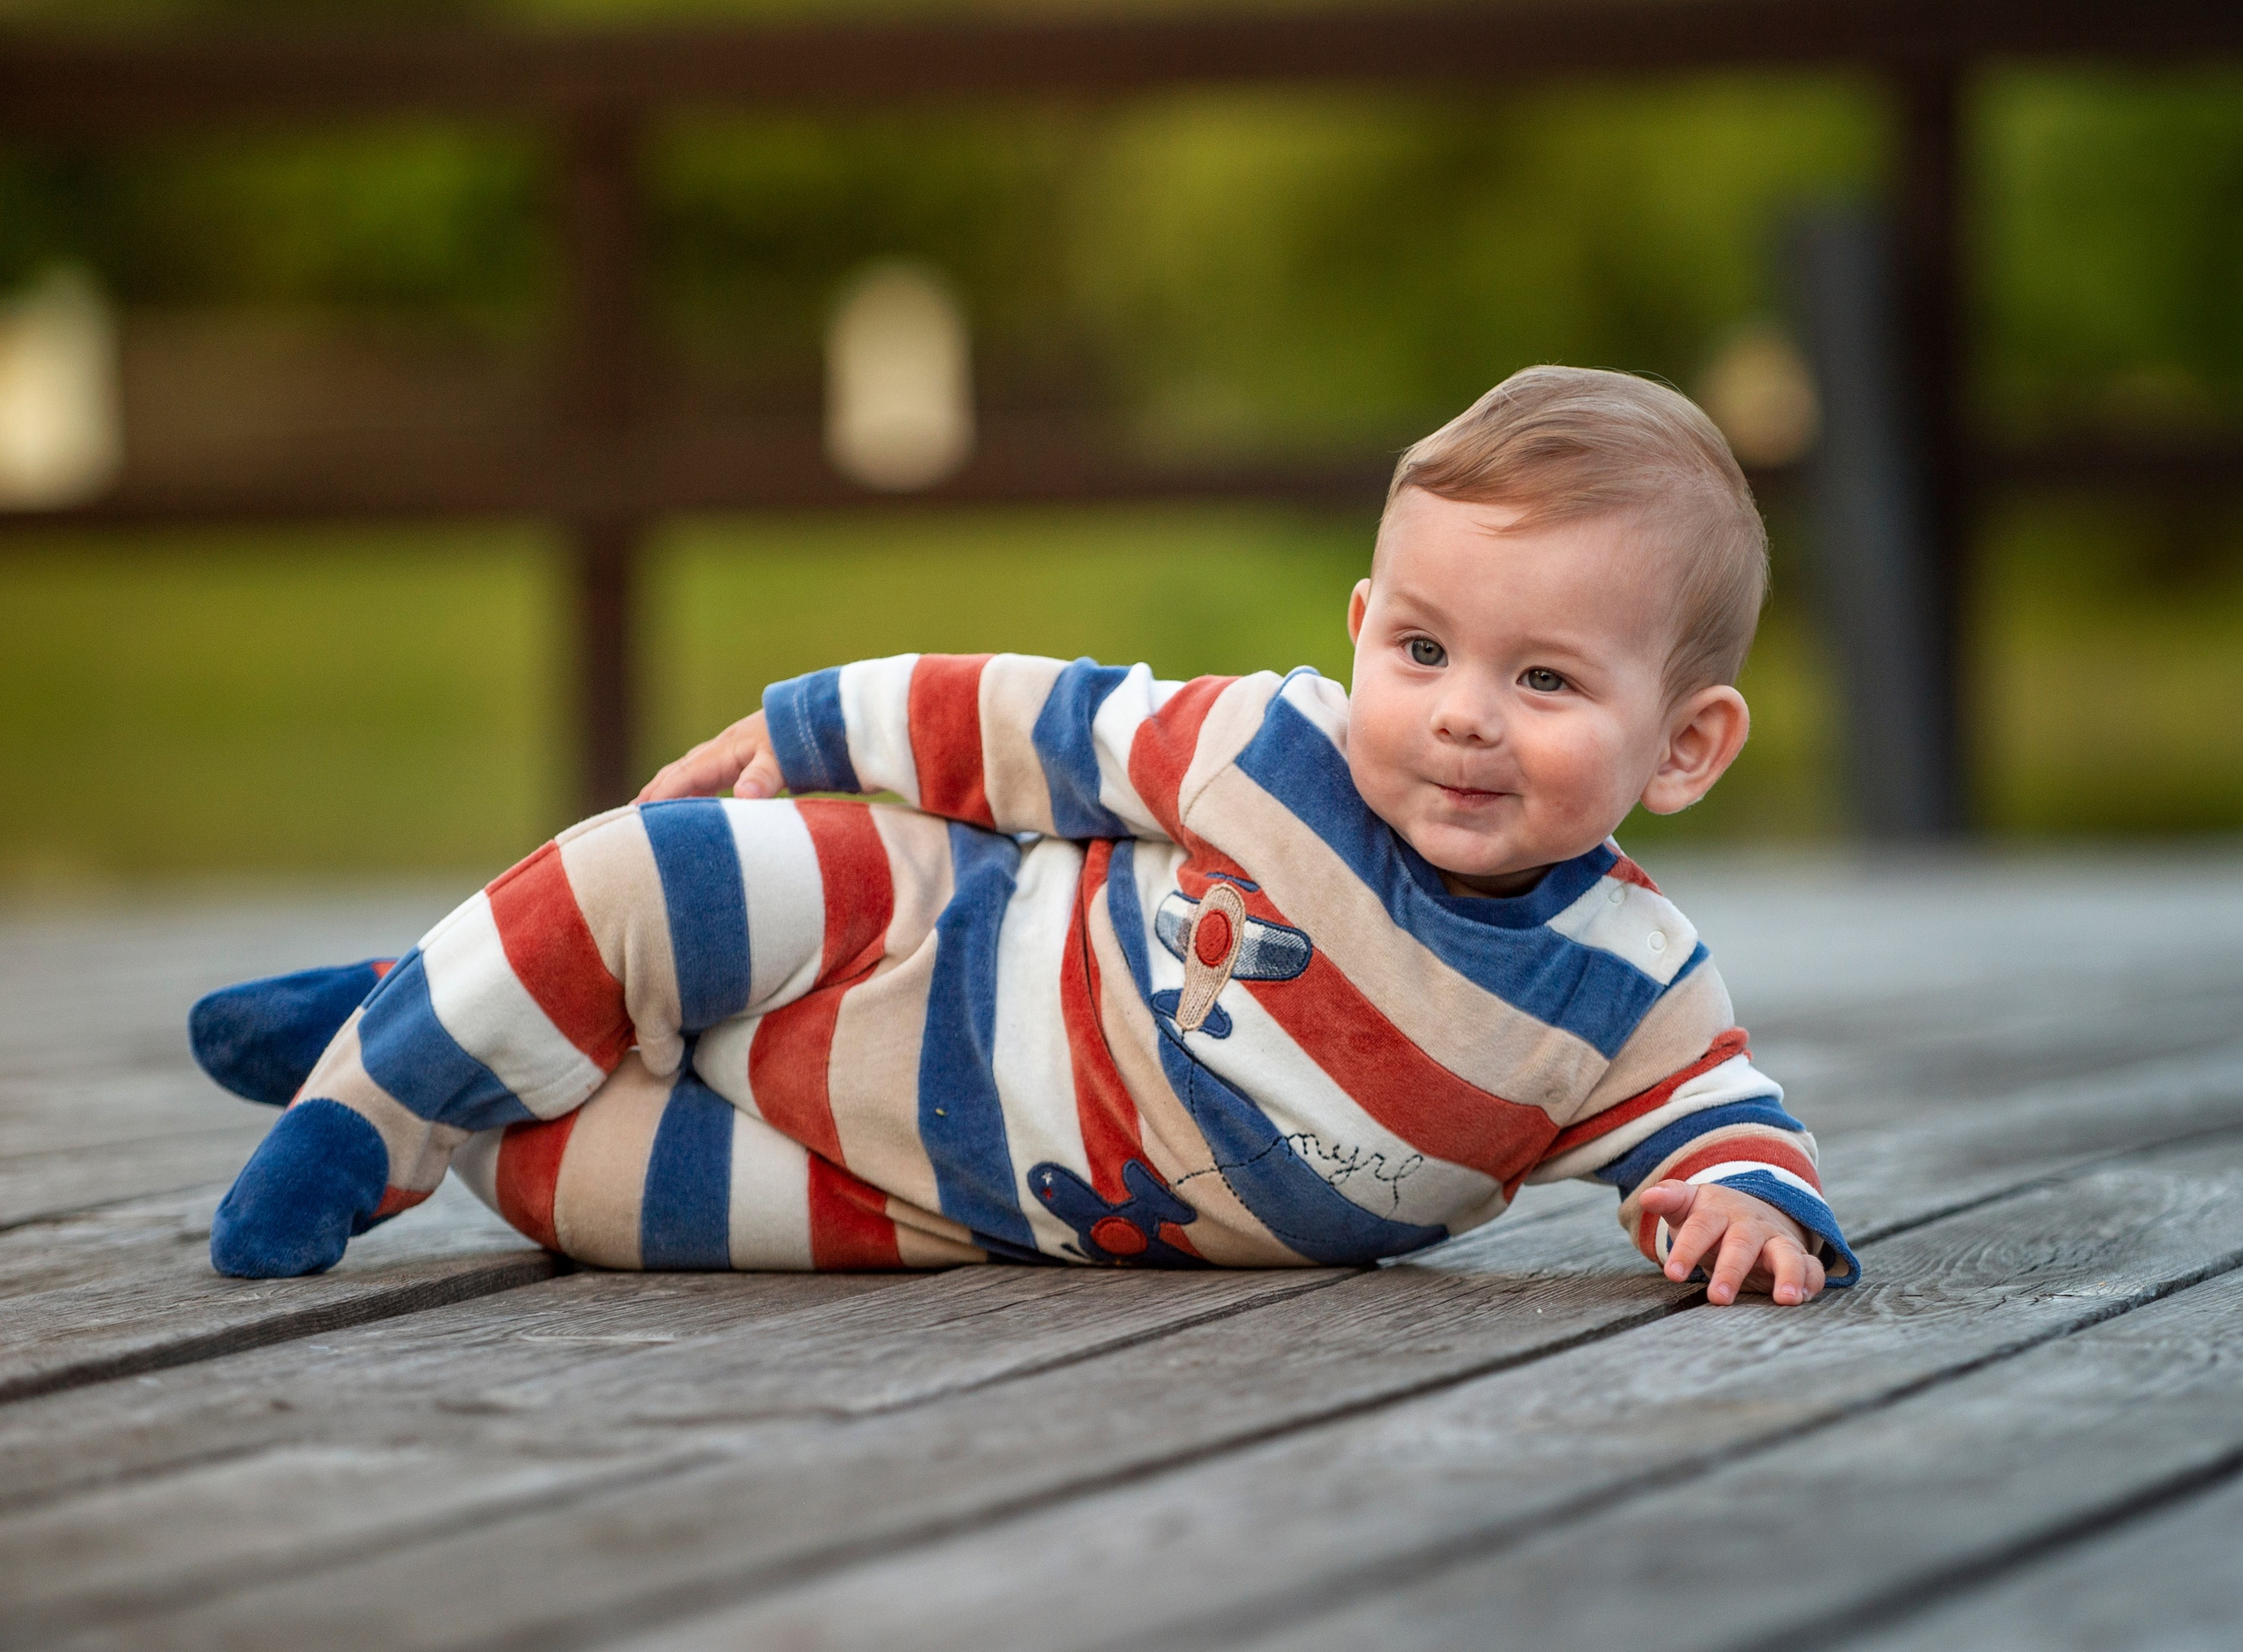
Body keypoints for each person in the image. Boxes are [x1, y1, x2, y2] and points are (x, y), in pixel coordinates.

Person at [196, 364, 1858, 1305]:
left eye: (1545, 678)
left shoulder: (1623, 993)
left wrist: (1748, 1210)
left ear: (1685, 745)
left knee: (578, 1196)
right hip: (923, 934)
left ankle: (426, 1012)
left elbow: (1723, 1123)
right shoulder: (1269, 751)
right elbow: (1034, 721)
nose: (1463, 715)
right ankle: (366, 1111)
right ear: (1362, 631)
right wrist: (806, 728)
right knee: (643, 883)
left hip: (946, 1203)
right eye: (1421, 650)